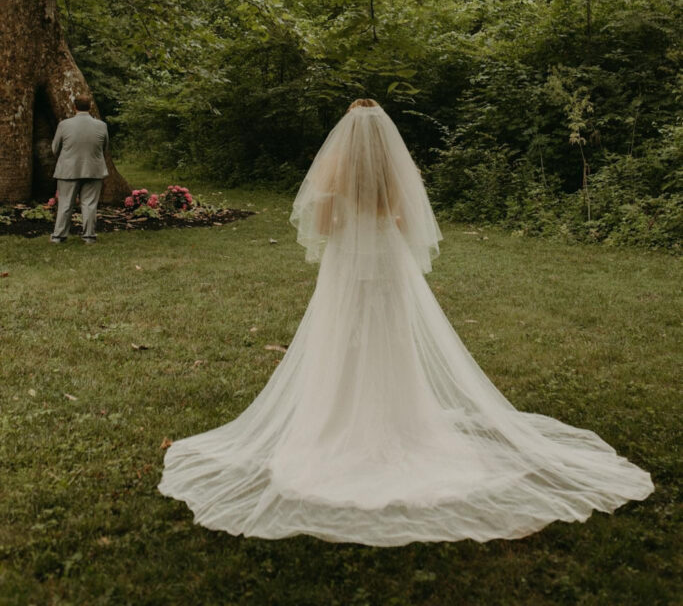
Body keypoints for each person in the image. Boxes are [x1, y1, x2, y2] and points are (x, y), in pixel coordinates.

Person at [158, 99, 653, 545]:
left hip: (348, 265)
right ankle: (402, 419)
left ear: (346, 134)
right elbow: (405, 221)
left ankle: (339, 418)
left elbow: (325, 228)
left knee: (344, 339)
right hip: (387, 262)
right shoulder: (397, 171)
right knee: (391, 341)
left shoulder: (333, 171)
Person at [50, 94, 109, 246]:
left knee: (65, 204)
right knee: (89, 204)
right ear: (90, 106)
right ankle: (89, 237)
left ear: (74, 107)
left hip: (68, 170)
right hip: (94, 169)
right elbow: (105, 148)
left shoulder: (64, 125)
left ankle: (59, 236)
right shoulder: (101, 125)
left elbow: (55, 148)